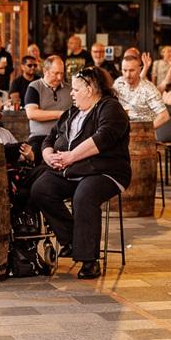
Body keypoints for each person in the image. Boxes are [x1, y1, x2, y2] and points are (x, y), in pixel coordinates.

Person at [30, 67, 131, 281]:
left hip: (105, 171)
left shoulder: (110, 108)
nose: (71, 93)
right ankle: (72, 240)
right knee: (41, 189)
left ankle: (88, 261)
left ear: (91, 88)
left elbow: (103, 138)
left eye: (76, 89)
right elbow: (50, 137)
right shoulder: (72, 112)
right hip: (72, 169)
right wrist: (48, 154)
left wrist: (70, 156)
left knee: (84, 195)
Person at [24, 55, 72, 160]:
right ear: (45, 71)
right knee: (36, 155)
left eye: (61, 73)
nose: (59, 78)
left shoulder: (70, 89)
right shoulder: (34, 87)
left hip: (65, 136)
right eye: (55, 73)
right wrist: (61, 114)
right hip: (41, 137)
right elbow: (32, 114)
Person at [114, 53, 169, 129]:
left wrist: (145, 131)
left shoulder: (149, 89)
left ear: (139, 70)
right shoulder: (118, 83)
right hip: (122, 131)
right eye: (124, 70)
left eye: (132, 70)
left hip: (142, 135)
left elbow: (164, 116)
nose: (127, 75)